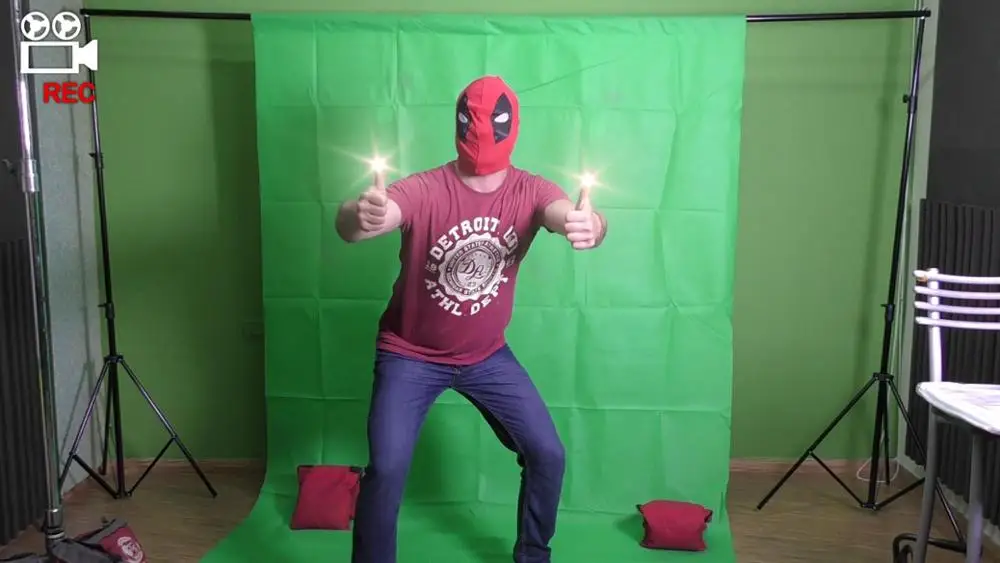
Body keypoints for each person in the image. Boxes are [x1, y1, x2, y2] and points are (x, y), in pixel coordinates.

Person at [335, 75, 608, 563]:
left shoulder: (531, 190)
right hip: (409, 355)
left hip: (486, 357)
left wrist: (592, 224)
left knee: (548, 454)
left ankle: (533, 556)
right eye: (472, 122)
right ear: (459, 125)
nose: (482, 133)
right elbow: (366, 220)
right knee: (388, 468)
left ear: (512, 127)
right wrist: (361, 215)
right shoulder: (425, 188)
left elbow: (565, 213)